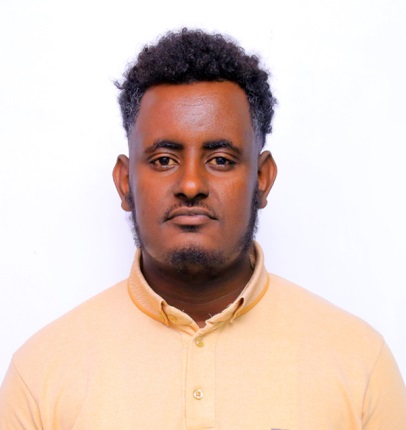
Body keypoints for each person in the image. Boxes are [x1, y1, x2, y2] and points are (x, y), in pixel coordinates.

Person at [0, 28, 405, 429]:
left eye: (221, 160)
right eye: (163, 160)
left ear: (262, 179)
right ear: (125, 182)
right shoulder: (40, 374)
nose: (191, 185)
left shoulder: (360, 363)